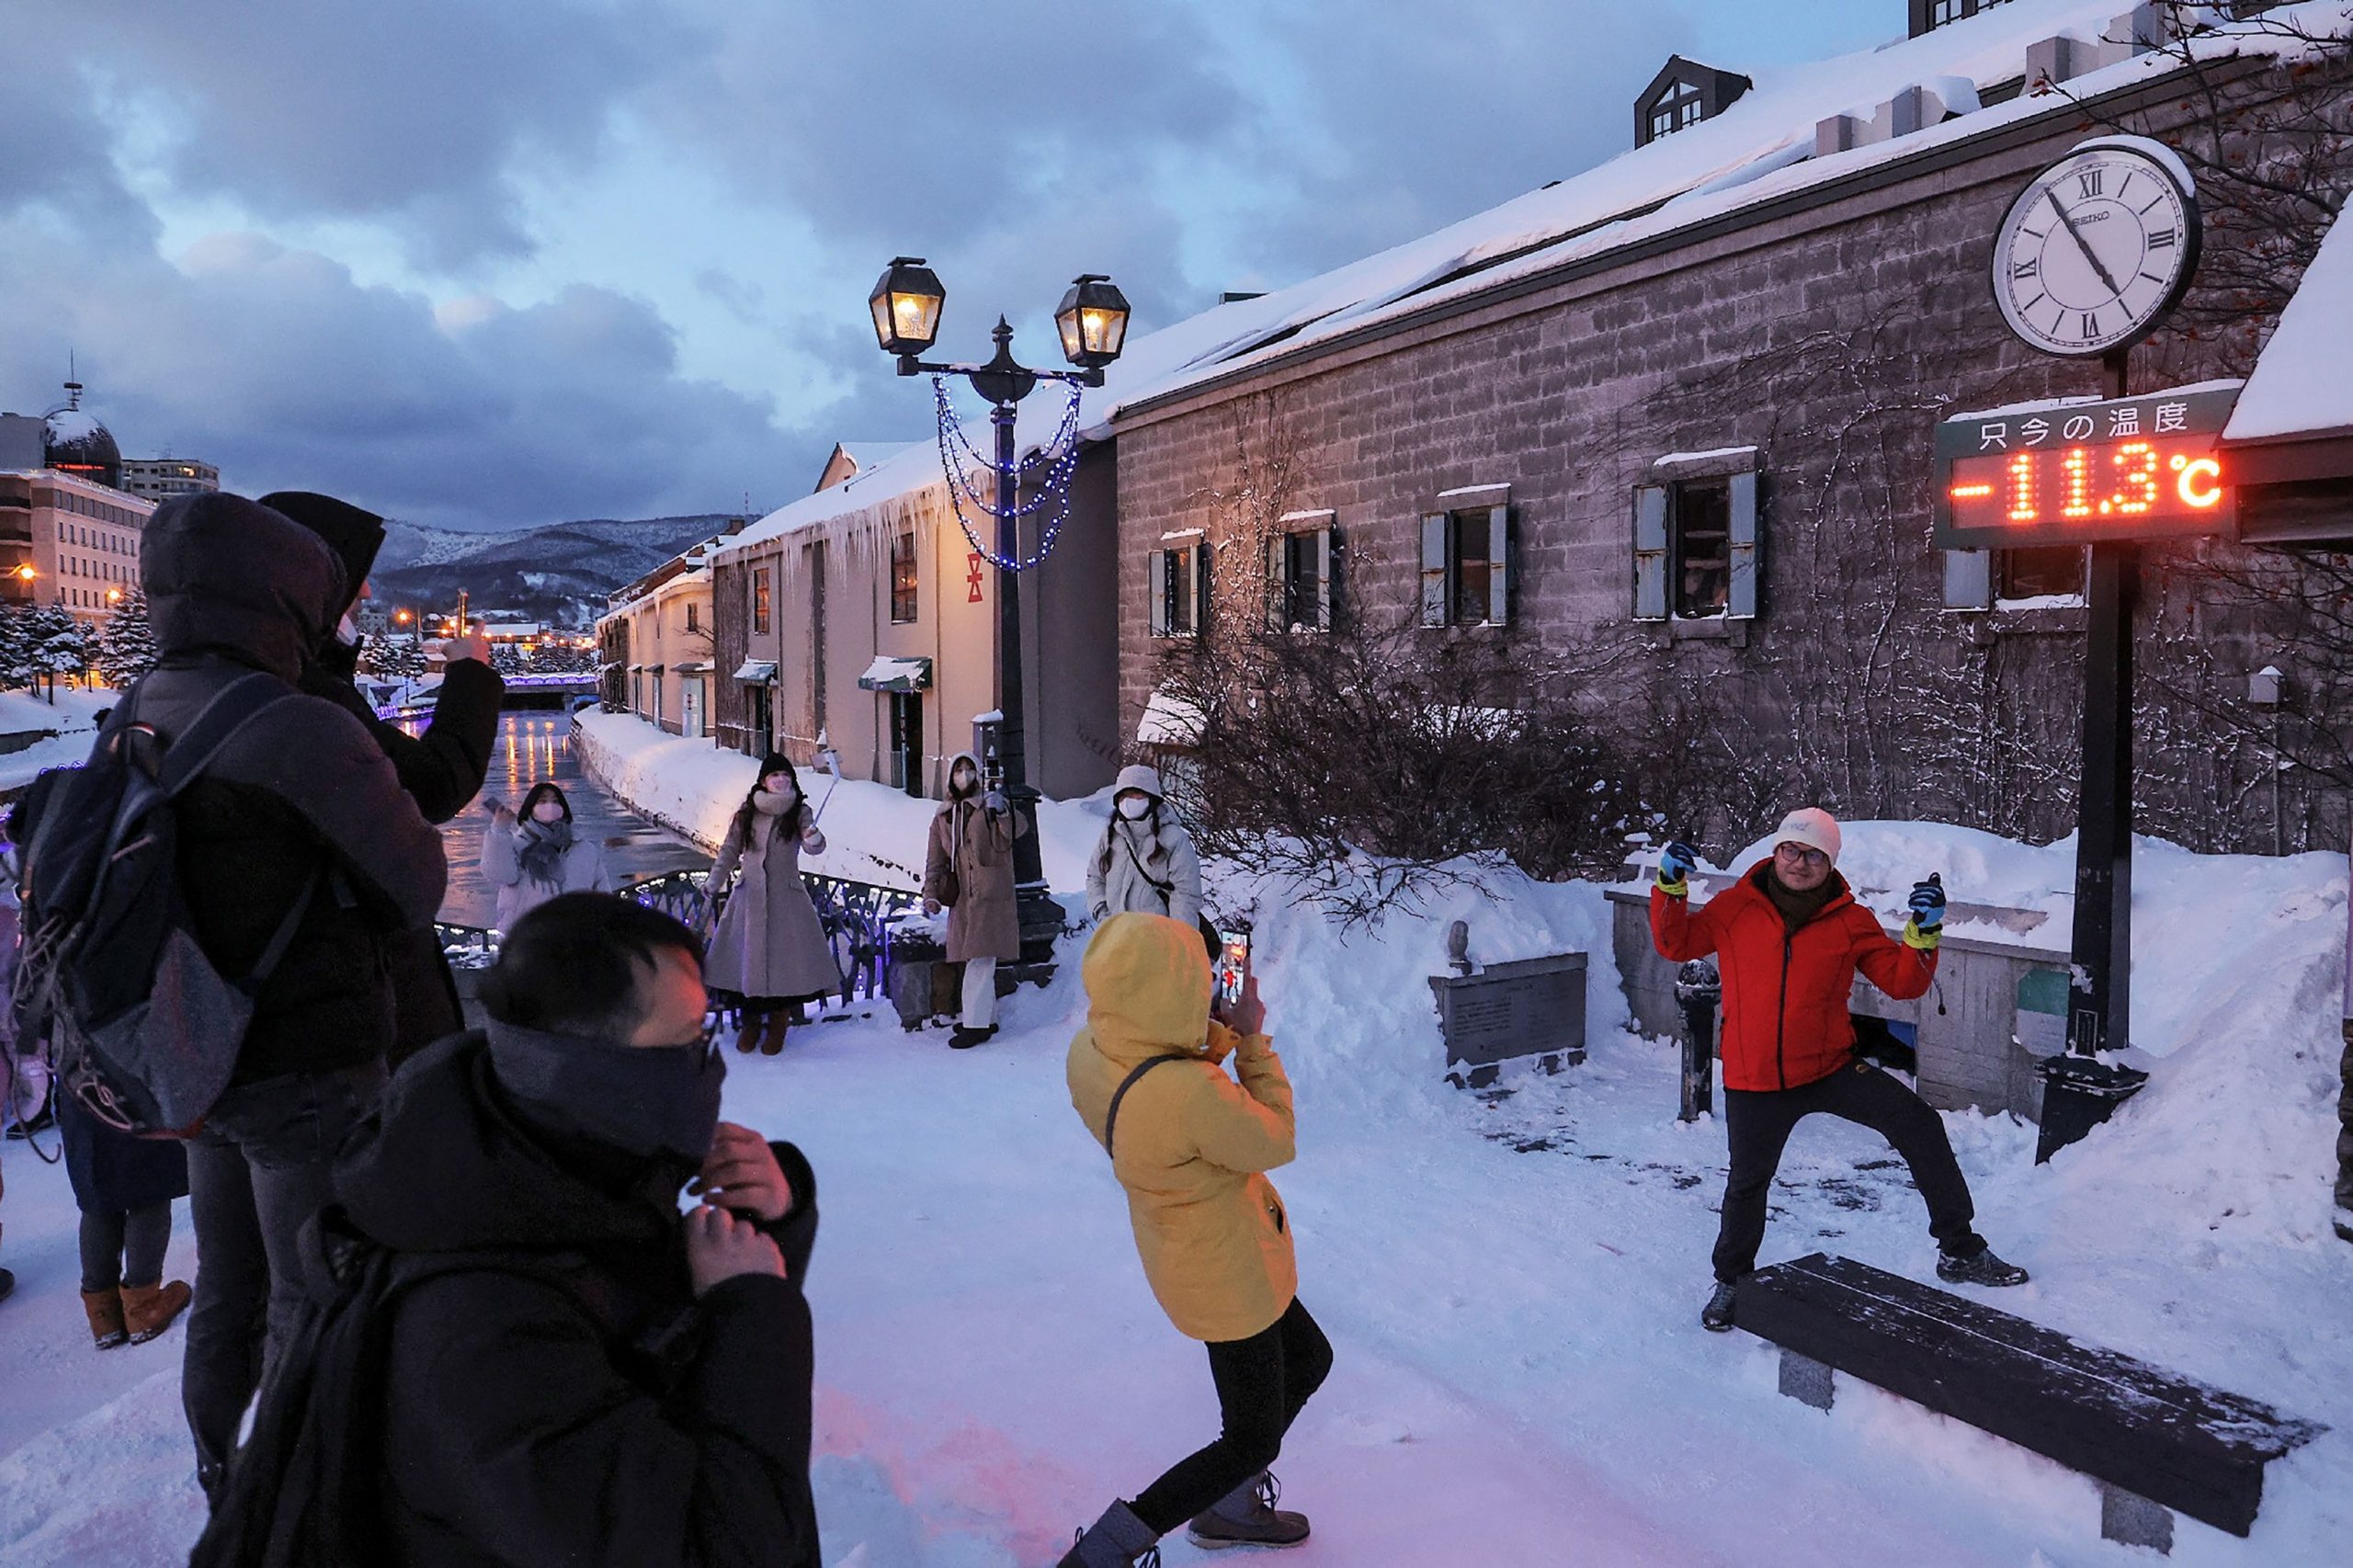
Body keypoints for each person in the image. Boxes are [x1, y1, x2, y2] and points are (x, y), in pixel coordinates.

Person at [195, 892, 820, 1566]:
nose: (710, 1064)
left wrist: (768, 1218)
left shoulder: (561, 1168)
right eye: (689, 1041)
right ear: (595, 1071)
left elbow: (675, 1344)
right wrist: (754, 1309)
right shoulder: (480, 1332)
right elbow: (719, 1545)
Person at [112, 493, 448, 1500]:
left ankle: (224, 1471)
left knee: (228, 1285)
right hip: (305, 1061)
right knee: (316, 1290)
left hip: (197, 1054)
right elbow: (419, 881)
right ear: (282, 594)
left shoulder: (139, 701)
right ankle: (303, 1504)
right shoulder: (294, 723)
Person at [1650, 807, 2029, 1333]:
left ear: (1830, 864)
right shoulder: (1737, 906)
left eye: (1813, 855)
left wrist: (1923, 934)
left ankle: (1960, 1250)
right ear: (1775, 851)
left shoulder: (1851, 921)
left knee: (1918, 1123)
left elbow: (1903, 984)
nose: (1799, 863)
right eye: (1791, 849)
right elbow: (1676, 943)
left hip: (1828, 1067)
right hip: (1755, 1076)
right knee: (1747, 1183)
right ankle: (1732, 1282)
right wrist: (1670, 888)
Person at [1061, 913, 1330, 1564]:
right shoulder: (1190, 1093)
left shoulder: (1095, 1053)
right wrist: (1251, 1041)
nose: (1212, 982)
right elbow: (1274, 1136)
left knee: (1310, 1358)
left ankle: (1227, 1502)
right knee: (1249, 1440)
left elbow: (1165, 1082)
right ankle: (1110, 1550)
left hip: (1191, 1255)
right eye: (1199, 978)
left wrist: (1212, 1036)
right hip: (1229, 1277)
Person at [263, 490, 505, 1062]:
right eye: (356, 576)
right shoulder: (306, 696)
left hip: (285, 1025)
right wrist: (469, 674)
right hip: (341, 1027)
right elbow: (435, 785)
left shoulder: (239, 681)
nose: (366, 591)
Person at [704, 755, 842, 1055]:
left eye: (785, 775)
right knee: (747, 965)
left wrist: (813, 837)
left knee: (784, 967)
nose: (780, 780)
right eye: (774, 775)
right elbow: (729, 851)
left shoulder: (800, 812)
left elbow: (815, 847)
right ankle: (751, 1022)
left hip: (786, 900)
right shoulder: (747, 814)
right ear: (763, 781)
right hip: (749, 899)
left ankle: (779, 1023)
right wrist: (714, 883)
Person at [923, 750, 1029, 1050]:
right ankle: (986, 1017)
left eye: (970, 769)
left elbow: (1016, 831)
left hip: (992, 894)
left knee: (980, 960)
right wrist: (930, 894)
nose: (964, 775)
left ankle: (975, 1025)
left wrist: (1003, 812)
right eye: (959, 770)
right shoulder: (944, 816)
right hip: (963, 899)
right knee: (977, 957)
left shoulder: (990, 806)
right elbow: (935, 859)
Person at [1086, 764, 1205, 933]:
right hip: (1116, 939)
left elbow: (1185, 894)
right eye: (1124, 796)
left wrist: (1179, 938)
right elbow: (1095, 877)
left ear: (1152, 798)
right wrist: (1103, 915)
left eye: (1137, 794)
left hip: (1157, 943)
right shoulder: (1110, 835)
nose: (1129, 801)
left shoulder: (1173, 839)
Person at [482, 780, 614, 930]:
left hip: (577, 938)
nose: (550, 806)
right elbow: (499, 875)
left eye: (555, 801)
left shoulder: (584, 849)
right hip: (527, 939)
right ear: (530, 808)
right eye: (543, 801)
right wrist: (499, 830)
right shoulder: (516, 846)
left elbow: (602, 893)